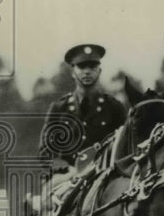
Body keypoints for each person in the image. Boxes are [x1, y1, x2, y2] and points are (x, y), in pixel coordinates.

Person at [39, 44, 126, 172]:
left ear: (99, 71)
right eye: (81, 66)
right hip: (68, 177)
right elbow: (46, 153)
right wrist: (67, 169)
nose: (87, 71)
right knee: (52, 190)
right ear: (73, 72)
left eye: (92, 66)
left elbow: (126, 146)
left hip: (105, 174)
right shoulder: (59, 109)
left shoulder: (114, 107)